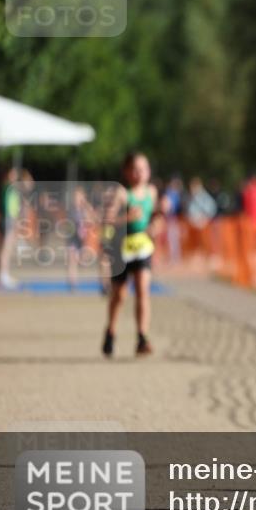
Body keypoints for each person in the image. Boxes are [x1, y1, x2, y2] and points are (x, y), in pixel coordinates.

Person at [102, 153, 160, 357]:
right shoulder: (122, 193)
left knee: (143, 291)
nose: (139, 173)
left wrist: (155, 224)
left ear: (149, 171)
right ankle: (110, 331)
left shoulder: (152, 192)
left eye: (143, 169)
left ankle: (142, 337)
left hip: (142, 245)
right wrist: (125, 218)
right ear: (126, 172)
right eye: (135, 169)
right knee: (119, 295)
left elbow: (154, 216)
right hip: (122, 246)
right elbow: (107, 221)